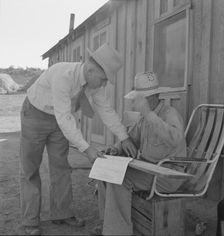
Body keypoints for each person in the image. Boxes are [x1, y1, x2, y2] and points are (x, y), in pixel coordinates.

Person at [19, 43, 137, 235]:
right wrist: (87, 148)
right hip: (35, 115)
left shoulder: (94, 84)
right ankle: (30, 221)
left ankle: (61, 214)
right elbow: (65, 118)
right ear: (91, 69)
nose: (105, 83)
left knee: (61, 167)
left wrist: (124, 137)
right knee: (30, 169)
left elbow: (105, 110)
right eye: (103, 79)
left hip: (59, 119)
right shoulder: (62, 76)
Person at [96, 72, 187, 235]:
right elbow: (131, 138)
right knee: (105, 172)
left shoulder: (169, 113)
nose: (137, 103)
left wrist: (148, 114)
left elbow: (175, 139)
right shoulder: (144, 119)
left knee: (120, 179)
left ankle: (118, 232)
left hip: (169, 174)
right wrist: (116, 148)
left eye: (140, 99)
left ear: (154, 97)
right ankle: (108, 225)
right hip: (148, 170)